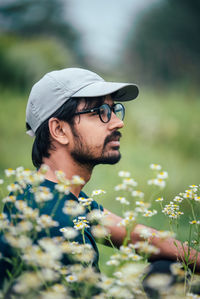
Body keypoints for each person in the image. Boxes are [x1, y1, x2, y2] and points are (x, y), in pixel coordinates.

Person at [1, 68, 199, 291]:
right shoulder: (55, 227)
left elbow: (137, 237)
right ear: (59, 130)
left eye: (114, 110)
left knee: (168, 271)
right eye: (100, 112)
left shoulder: (47, 193)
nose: (117, 122)